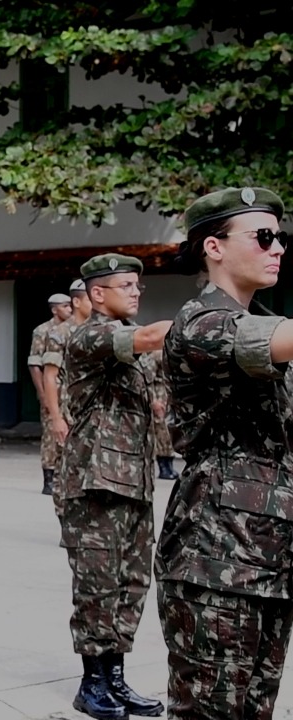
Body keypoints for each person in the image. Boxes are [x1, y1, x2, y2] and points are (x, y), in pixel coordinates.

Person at [158, 187, 293, 720]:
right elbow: (263, 340)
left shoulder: (266, 323)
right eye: (263, 237)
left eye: (280, 238)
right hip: (216, 562)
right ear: (213, 247)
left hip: (271, 562)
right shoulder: (201, 323)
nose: (277, 247)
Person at [57, 253, 171, 720]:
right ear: (98, 293)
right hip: (95, 483)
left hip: (134, 481)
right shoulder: (92, 335)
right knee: (97, 585)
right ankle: (92, 684)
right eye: (127, 285)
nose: (136, 292)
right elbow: (147, 337)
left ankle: (116, 680)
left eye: (138, 285)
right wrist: (210, 321)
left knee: (131, 584)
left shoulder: (129, 349)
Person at [28, 293, 74, 494]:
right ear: (55, 309)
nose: (69, 309)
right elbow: (35, 365)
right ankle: (48, 477)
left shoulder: (74, 328)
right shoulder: (43, 331)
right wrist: (43, 393)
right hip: (53, 388)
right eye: (65, 306)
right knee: (50, 435)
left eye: (70, 305)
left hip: (71, 391)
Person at [42, 280, 93, 460]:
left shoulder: (97, 330)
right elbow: (50, 376)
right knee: (65, 463)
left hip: (93, 408)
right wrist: (56, 418)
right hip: (69, 407)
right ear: (77, 302)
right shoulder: (60, 333)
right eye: (89, 299)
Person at [141, 350, 179, 481]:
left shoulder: (169, 350)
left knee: (168, 434)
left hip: (167, 396)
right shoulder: (155, 355)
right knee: (162, 433)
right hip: (158, 396)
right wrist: (154, 401)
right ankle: (164, 467)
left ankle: (169, 465)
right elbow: (148, 379)